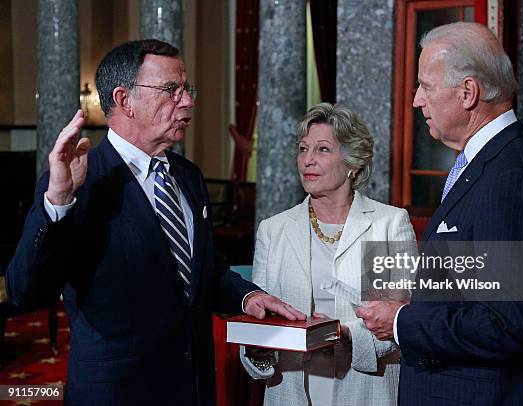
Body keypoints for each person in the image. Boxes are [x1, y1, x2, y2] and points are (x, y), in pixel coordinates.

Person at [5, 39, 304, 406]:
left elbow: (203, 274)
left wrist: (248, 296)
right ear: (124, 99)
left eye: (186, 88)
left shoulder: (188, 176)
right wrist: (59, 201)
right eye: (170, 90)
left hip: (193, 388)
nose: (188, 101)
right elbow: (25, 291)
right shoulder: (80, 179)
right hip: (120, 392)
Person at [356, 22, 523, 405]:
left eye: (426, 86)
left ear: (468, 92)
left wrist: (402, 321)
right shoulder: (484, 163)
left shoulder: (514, 178)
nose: (416, 100)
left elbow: (512, 325)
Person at [240, 102, 416, 405]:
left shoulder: (388, 224)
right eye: (302, 149)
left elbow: (399, 320)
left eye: (322, 150)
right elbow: (263, 324)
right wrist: (257, 350)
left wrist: (346, 335)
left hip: (364, 391)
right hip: (292, 392)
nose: (307, 160)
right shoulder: (274, 230)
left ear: (353, 163)